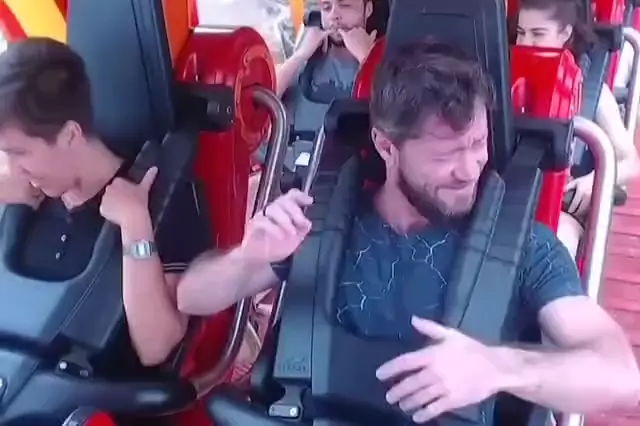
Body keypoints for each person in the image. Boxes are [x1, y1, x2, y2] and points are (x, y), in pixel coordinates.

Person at [177, 40, 640, 423]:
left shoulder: (525, 248)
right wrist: (247, 257)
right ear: (386, 146)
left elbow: (620, 376)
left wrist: (499, 366)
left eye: (477, 144)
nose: (468, 170)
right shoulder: (317, 226)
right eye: (444, 155)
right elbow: (191, 297)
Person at [0, 38, 209, 367]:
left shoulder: (160, 198)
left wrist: (135, 226)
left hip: (86, 390)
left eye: (19, 153)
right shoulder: (23, 197)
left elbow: (155, 347)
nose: (12, 168)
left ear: (70, 135)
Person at [515, 0, 640, 256]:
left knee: (556, 244)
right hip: (507, 204)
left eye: (538, 34)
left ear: (565, 33)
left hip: (561, 210)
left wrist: (593, 181)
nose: (526, 42)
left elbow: (631, 162)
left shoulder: (592, 92)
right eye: (520, 33)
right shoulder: (503, 79)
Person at [275, 0, 379, 98]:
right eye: (326, 7)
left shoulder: (384, 56)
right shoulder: (307, 50)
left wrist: (366, 58)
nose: (333, 15)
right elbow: (268, 98)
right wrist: (299, 56)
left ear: (368, 9)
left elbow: (386, 104)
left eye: (345, 5)